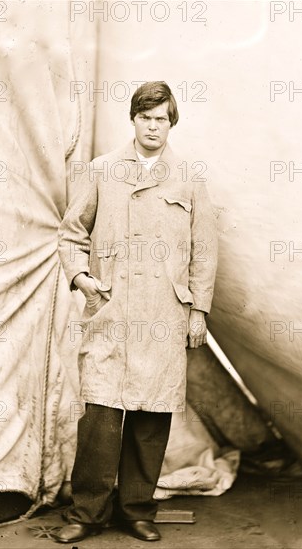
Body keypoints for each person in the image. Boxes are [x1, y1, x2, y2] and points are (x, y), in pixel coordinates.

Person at [56, 81, 218, 543]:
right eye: (146, 117)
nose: (153, 126)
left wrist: (198, 310)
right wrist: (82, 280)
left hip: (165, 314)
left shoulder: (189, 176)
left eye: (162, 118)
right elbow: (71, 233)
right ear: (133, 119)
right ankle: (86, 514)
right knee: (101, 418)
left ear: (172, 122)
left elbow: (205, 249)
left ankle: (137, 510)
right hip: (111, 311)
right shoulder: (103, 169)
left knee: (151, 417)